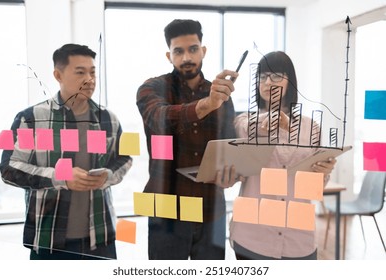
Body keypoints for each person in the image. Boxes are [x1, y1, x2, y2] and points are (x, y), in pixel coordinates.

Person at [0, 44, 132, 260]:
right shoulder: (31, 119)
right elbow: (9, 169)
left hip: (101, 237)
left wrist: (108, 176)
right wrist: (61, 177)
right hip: (49, 240)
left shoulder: (109, 118)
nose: (89, 79)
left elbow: (123, 159)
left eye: (92, 72)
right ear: (58, 75)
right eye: (80, 72)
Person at [136, 19, 239, 260]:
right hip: (167, 210)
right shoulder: (152, 88)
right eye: (178, 51)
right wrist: (207, 105)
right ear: (168, 55)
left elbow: (230, 147)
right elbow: (159, 117)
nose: (187, 58)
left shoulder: (222, 96)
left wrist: (231, 174)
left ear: (203, 50)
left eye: (193, 49)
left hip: (211, 209)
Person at [226, 51, 336, 260]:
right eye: (263, 76)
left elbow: (313, 188)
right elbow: (246, 129)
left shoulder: (310, 127)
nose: (268, 82)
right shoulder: (243, 122)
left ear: (290, 82)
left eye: (276, 76)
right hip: (252, 235)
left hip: (299, 238)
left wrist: (323, 172)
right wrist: (272, 118)